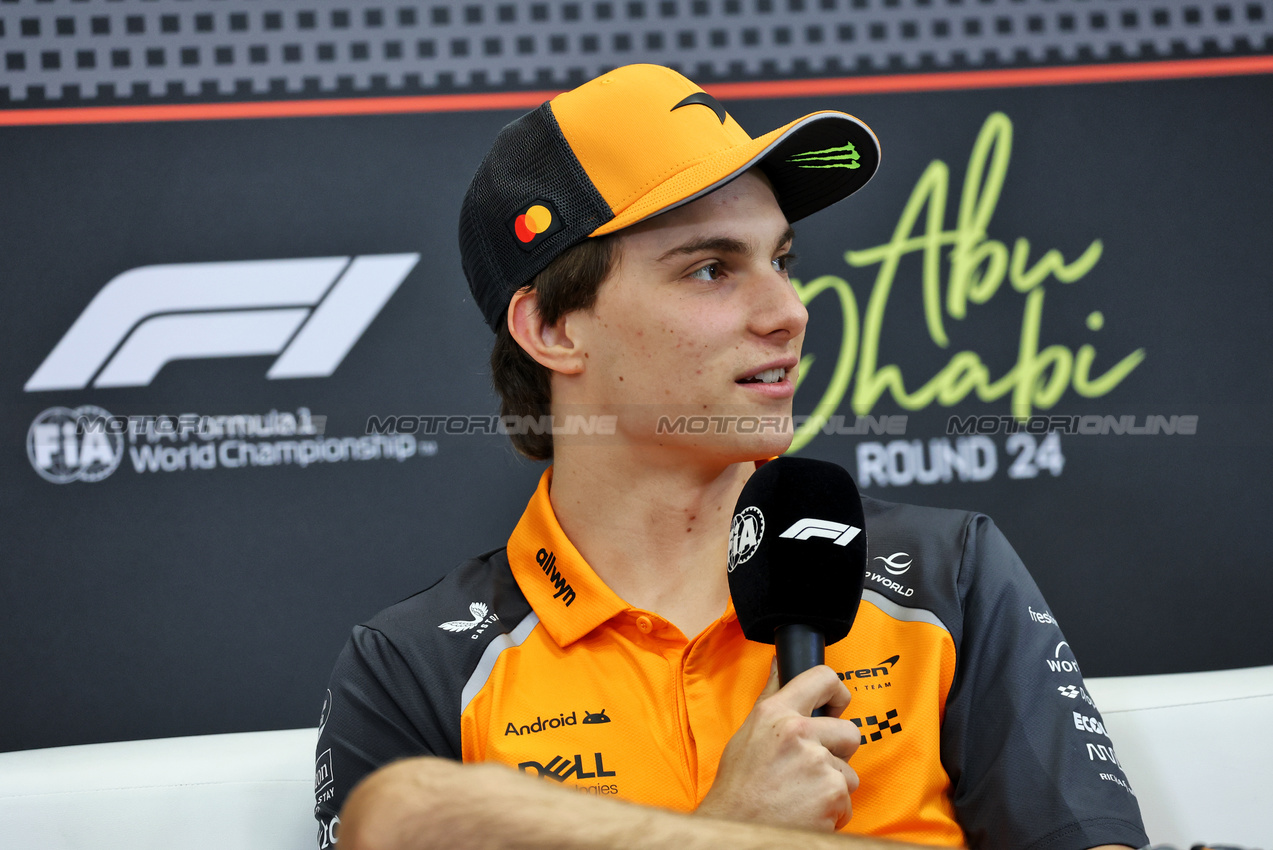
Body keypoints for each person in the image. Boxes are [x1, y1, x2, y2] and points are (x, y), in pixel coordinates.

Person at [315, 64, 1148, 850]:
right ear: (553, 330)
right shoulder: (415, 665)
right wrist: (732, 828)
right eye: (711, 269)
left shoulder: (946, 577)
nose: (788, 311)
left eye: (782, 259)